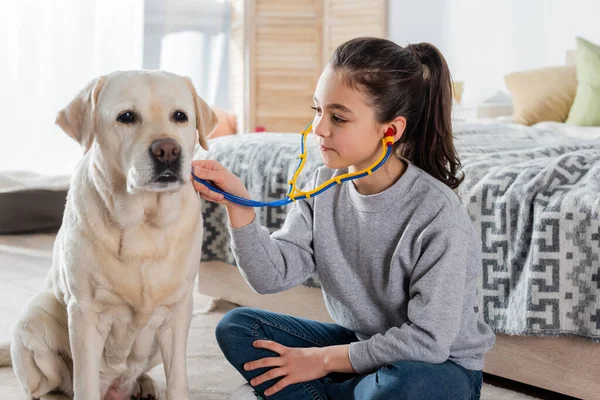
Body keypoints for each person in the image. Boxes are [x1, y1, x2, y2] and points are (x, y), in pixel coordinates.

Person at [192, 37, 495, 400]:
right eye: (317, 110)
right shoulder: (322, 187)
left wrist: (321, 361)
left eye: (338, 117)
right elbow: (270, 276)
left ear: (390, 131)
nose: (319, 129)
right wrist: (239, 206)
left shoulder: (436, 212)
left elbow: (429, 342)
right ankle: (351, 393)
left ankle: (333, 392)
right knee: (238, 326)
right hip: (363, 348)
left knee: (404, 386)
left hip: (438, 367)